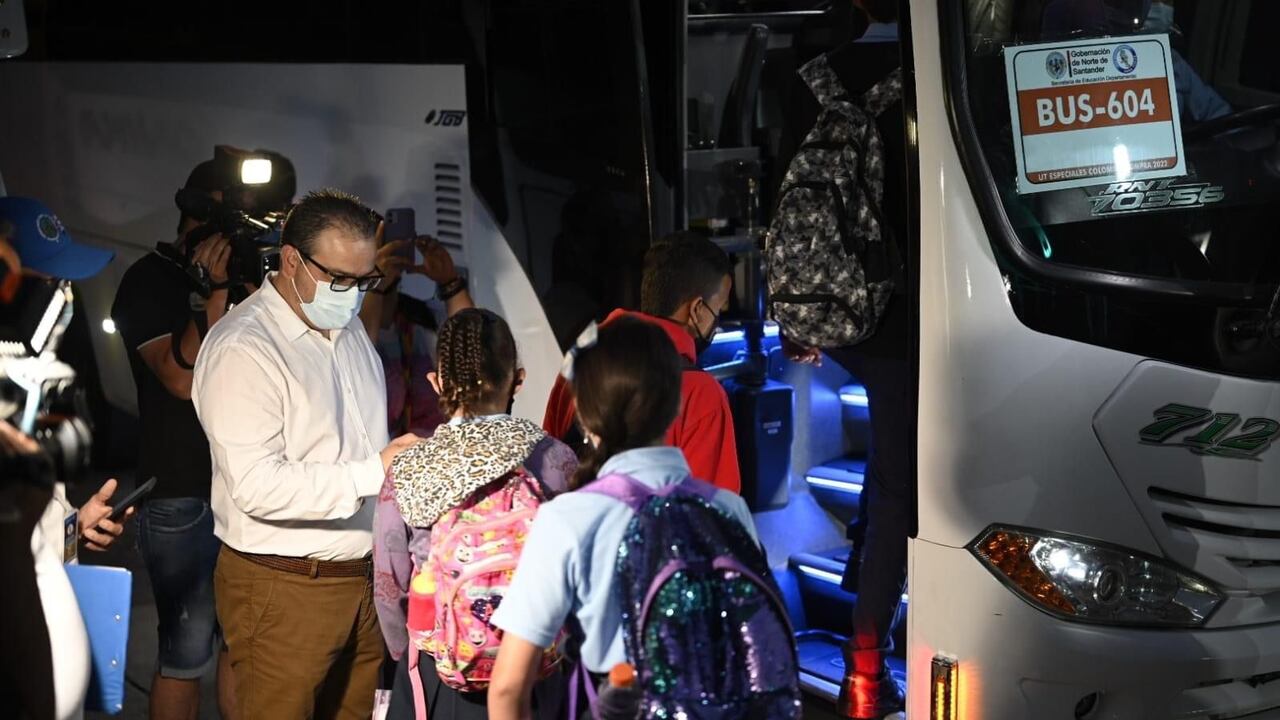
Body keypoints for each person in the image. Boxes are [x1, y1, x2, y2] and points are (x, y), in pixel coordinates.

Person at [192, 189, 420, 720]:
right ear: (291, 260)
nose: (354, 293)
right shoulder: (244, 347)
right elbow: (256, 485)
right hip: (284, 586)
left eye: (365, 280)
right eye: (339, 278)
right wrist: (374, 471)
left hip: (364, 583)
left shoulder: (348, 332)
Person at [488, 317, 758, 719]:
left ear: (583, 414)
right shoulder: (728, 510)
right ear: (677, 403)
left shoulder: (568, 519)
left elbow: (508, 688)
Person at [776, 1, 912, 717]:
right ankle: (865, 666)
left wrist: (805, 315)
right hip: (902, 315)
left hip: (841, 320)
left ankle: (861, 631)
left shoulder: (812, 72)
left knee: (885, 478)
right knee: (896, 486)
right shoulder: (924, 82)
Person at [375, 308, 577, 719]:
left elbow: (389, 582)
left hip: (443, 669)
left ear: (436, 383)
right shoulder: (555, 459)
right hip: (536, 667)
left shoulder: (410, 467)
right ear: (518, 379)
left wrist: (412, 652)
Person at [109, 159, 252, 720]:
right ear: (195, 216)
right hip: (180, 493)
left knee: (240, 650)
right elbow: (179, 378)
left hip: (243, 488)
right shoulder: (147, 280)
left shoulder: (248, 285)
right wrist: (211, 296)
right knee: (184, 655)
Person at [0, 197, 130, 720]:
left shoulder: (23, 396)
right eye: (49, 283)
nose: (64, 298)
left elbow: (30, 538)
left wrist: (75, 527)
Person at [541, 232, 742, 493]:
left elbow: (550, 469)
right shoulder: (702, 393)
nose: (718, 319)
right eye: (720, 308)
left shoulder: (580, 363)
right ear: (697, 310)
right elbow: (712, 512)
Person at [364, 234, 476, 438]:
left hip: (436, 456)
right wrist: (375, 285)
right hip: (379, 462)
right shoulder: (349, 327)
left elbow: (470, 347)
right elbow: (358, 362)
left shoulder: (423, 320)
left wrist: (450, 282)